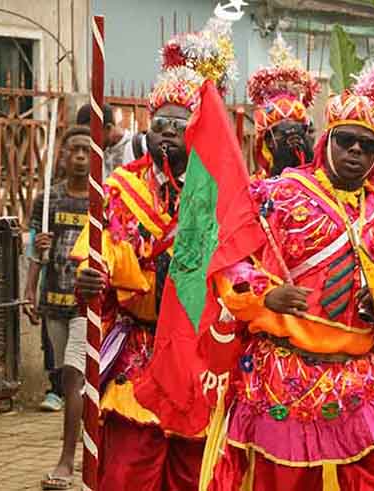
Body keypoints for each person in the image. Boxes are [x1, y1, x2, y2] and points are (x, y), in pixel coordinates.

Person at [197, 64, 374, 491]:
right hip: (283, 374)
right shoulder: (274, 197)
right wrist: (265, 295)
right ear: (326, 140)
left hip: (363, 376)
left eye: (367, 146)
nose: (355, 152)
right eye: (346, 140)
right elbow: (228, 260)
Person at [70, 18, 237, 491]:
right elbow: (95, 260)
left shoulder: (221, 198)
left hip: (196, 355)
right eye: (159, 123)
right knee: (127, 473)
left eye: (179, 126)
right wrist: (90, 279)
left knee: (193, 473)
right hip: (138, 354)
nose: (166, 133)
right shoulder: (120, 188)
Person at [24, 125, 90, 490]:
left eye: (85, 150)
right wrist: (29, 289)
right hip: (54, 300)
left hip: (86, 304)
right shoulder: (48, 200)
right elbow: (35, 250)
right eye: (73, 150)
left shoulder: (103, 198)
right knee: (66, 378)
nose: (79, 157)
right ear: (62, 156)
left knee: (73, 376)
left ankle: (68, 460)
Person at [248, 33, 319, 177]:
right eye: (285, 132)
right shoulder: (254, 187)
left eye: (298, 130)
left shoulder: (324, 186)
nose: (294, 139)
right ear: (268, 142)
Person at [76, 103, 139, 176]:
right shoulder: (95, 150)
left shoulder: (137, 147)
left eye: (91, 135)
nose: (89, 141)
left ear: (108, 128)